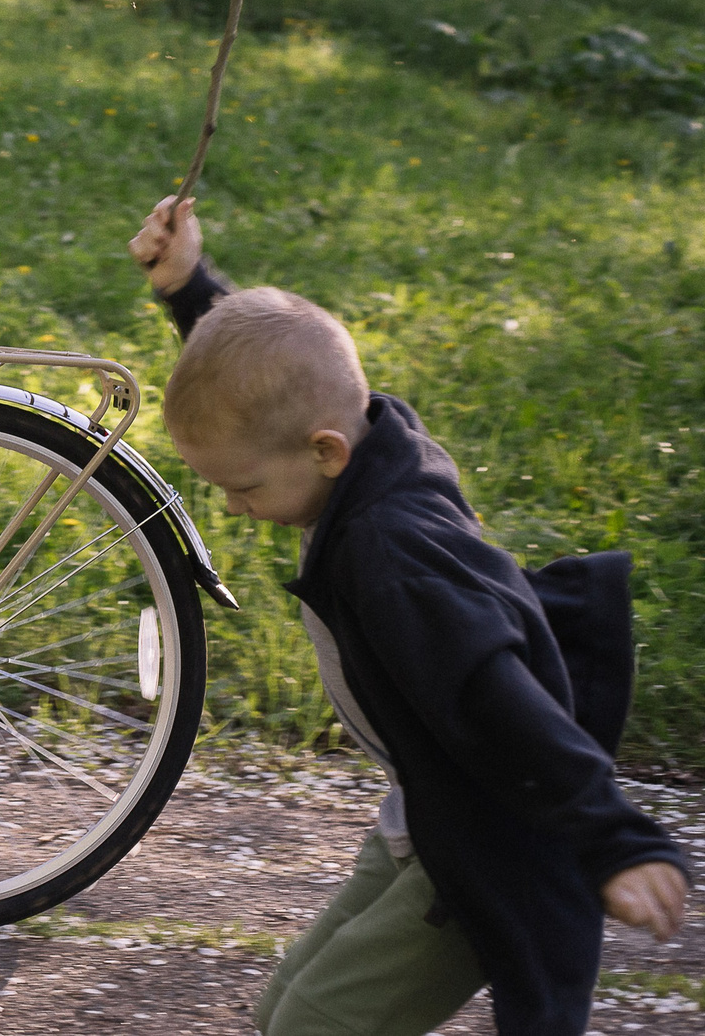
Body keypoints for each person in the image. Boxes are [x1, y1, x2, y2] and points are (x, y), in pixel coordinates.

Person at [129, 195, 689, 1036]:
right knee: (284, 1011)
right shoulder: (372, 441)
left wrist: (617, 840)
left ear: (325, 452)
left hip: (495, 825)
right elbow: (269, 382)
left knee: (313, 1025)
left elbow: (502, 702)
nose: (235, 507)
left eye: (243, 488)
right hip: (425, 807)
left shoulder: (392, 560)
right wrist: (189, 290)